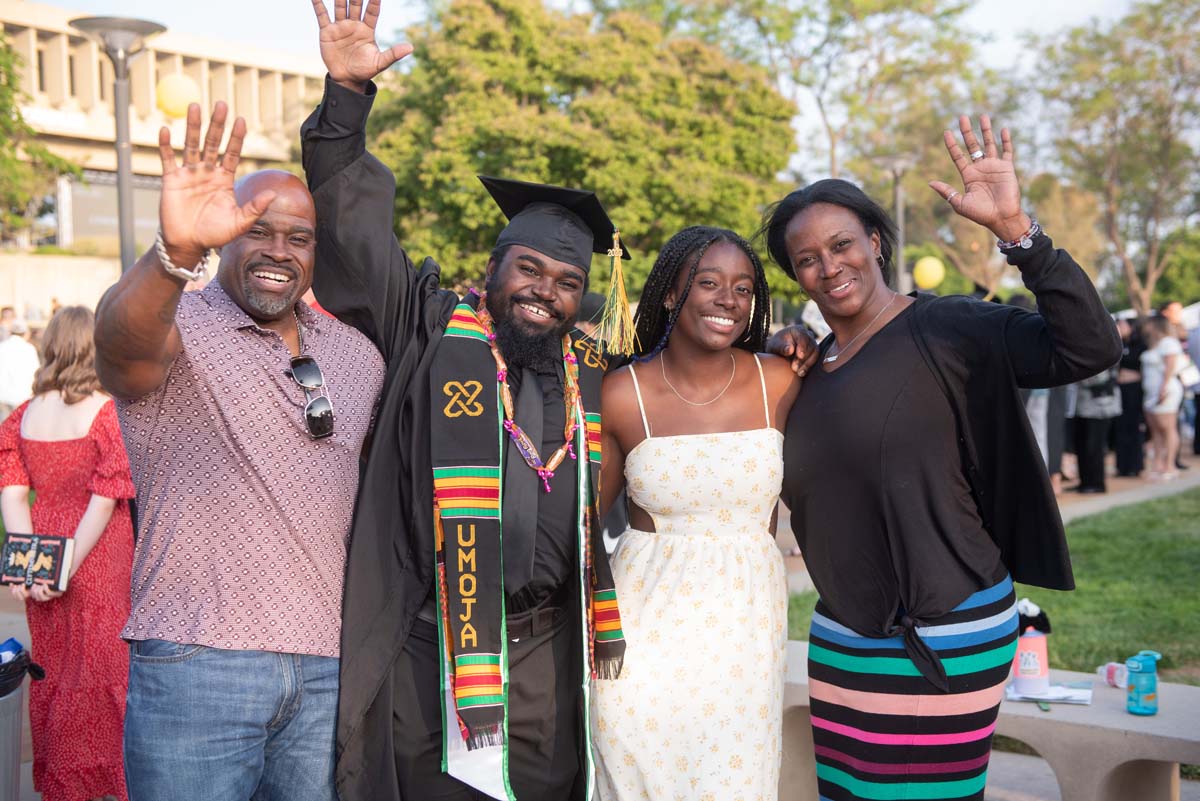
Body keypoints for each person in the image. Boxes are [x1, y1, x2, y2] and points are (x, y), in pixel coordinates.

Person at [301, 3, 630, 798]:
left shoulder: (593, 368)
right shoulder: (426, 327)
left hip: (550, 654)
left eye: (566, 283)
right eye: (529, 271)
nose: (544, 294)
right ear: (494, 265)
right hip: (432, 651)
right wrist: (345, 98)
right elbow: (356, 234)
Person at [763, 115, 1121, 801]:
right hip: (841, 635)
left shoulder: (946, 327)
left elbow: (1090, 348)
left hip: (947, 628)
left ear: (874, 240)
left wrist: (1018, 229)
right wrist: (782, 346)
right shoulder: (807, 367)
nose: (829, 265)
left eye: (842, 244)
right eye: (807, 258)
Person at [93, 103, 385, 800]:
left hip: (324, 673)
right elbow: (120, 350)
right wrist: (174, 255)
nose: (278, 250)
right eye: (257, 230)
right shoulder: (178, 324)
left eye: (298, 237)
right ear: (226, 238)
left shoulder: (358, 357)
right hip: (198, 665)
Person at [590, 226, 800, 799]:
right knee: (637, 776)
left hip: (744, 632)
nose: (727, 299)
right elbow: (583, 524)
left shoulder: (780, 383)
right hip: (642, 632)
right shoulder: (621, 393)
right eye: (707, 282)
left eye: (742, 287)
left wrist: (799, 336)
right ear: (667, 293)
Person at [0, 306, 135, 801]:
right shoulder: (106, 412)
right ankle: (111, 781)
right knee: (105, 670)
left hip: (43, 541)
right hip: (96, 553)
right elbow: (103, 503)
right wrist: (65, 567)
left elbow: (13, 495)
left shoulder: (24, 415)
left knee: (55, 670)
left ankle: (65, 783)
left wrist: (30, 563)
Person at [1140, 316, 1183, 481]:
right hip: (1150, 393)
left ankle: (1170, 465)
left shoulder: (1168, 343)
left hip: (1165, 391)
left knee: (1168, 428)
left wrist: (1163, 388)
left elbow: (1170, 365)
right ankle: (1157, 464)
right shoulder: (1153, 345)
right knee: (1156, 431)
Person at [1072, 367, 1122, 493]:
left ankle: (1097, 483)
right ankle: (1085, 482)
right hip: (1083, 402)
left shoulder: (1104, 352)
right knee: (1083, 444)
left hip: (1101, 404)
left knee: (1095, 445)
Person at [1114, 318, 1147, 476]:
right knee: (1121, 428)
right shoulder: (1116, 346)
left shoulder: (1140, 346)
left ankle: (1135, 465)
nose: (1119, 327)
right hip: (1120, 390)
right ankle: (1122, 466)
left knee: (1134, 426)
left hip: (1134, 391)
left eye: (1122, 325)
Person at [0, 320, 42, 420]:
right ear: (26, 333)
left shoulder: (1, 347)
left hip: (3, 397)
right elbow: (36, 373)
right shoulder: (29, 349)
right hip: (23, 396)